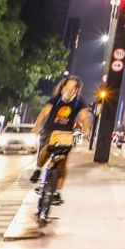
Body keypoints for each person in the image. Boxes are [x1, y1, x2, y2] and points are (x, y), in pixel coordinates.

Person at [28, 76, 93, 205]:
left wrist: (86, 130)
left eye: (73, 88)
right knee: (46, 150)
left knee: (62, 163)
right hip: (49, 132)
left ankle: (57, 192)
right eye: (67, 87)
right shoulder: (56, 99)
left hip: (66, 134)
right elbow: (44, 113)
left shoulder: (79, 102)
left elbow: (85, 117)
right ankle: (38, 170)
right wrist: (36, 127)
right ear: (63, 87)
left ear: (77, 90)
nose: (70, 90)